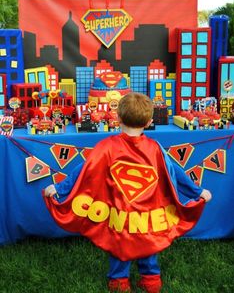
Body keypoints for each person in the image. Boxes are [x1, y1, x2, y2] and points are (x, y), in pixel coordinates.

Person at [44, 92, 212, 293]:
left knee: (119, 245)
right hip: (148, 215)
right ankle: (151, 281)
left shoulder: (106, 147)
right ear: (149, 121)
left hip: (119, 214)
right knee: (150, 242)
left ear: (117, 118)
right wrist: (197, 191)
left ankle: (119, 282)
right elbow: (174, 171)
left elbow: (84, 169)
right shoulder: (155, 148)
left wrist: (60, 188)